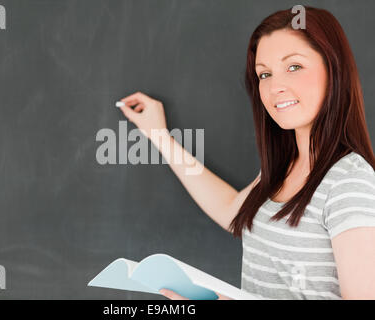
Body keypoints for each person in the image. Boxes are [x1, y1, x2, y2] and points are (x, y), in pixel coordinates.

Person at [118, 6, 375, 300]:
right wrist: (159, 135)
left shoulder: (349, 184)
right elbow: (232, 210)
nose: (275, 86)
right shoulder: (284, 168)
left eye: (294, 67)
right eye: (264, 74)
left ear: (334, 70)